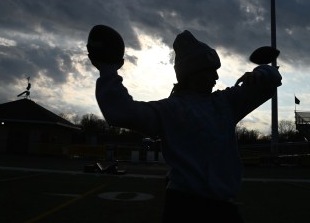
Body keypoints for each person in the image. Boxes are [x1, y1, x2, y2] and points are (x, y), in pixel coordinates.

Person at [90, 30, 282, 222]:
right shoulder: (180, 108)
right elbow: (121, 112)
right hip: (186, 208)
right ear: (193, 74)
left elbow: (272, 82)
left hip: (214, 207)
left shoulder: (223, 103)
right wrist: (108, 70)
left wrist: (261, 73)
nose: (216, 76)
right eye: (210, 70)